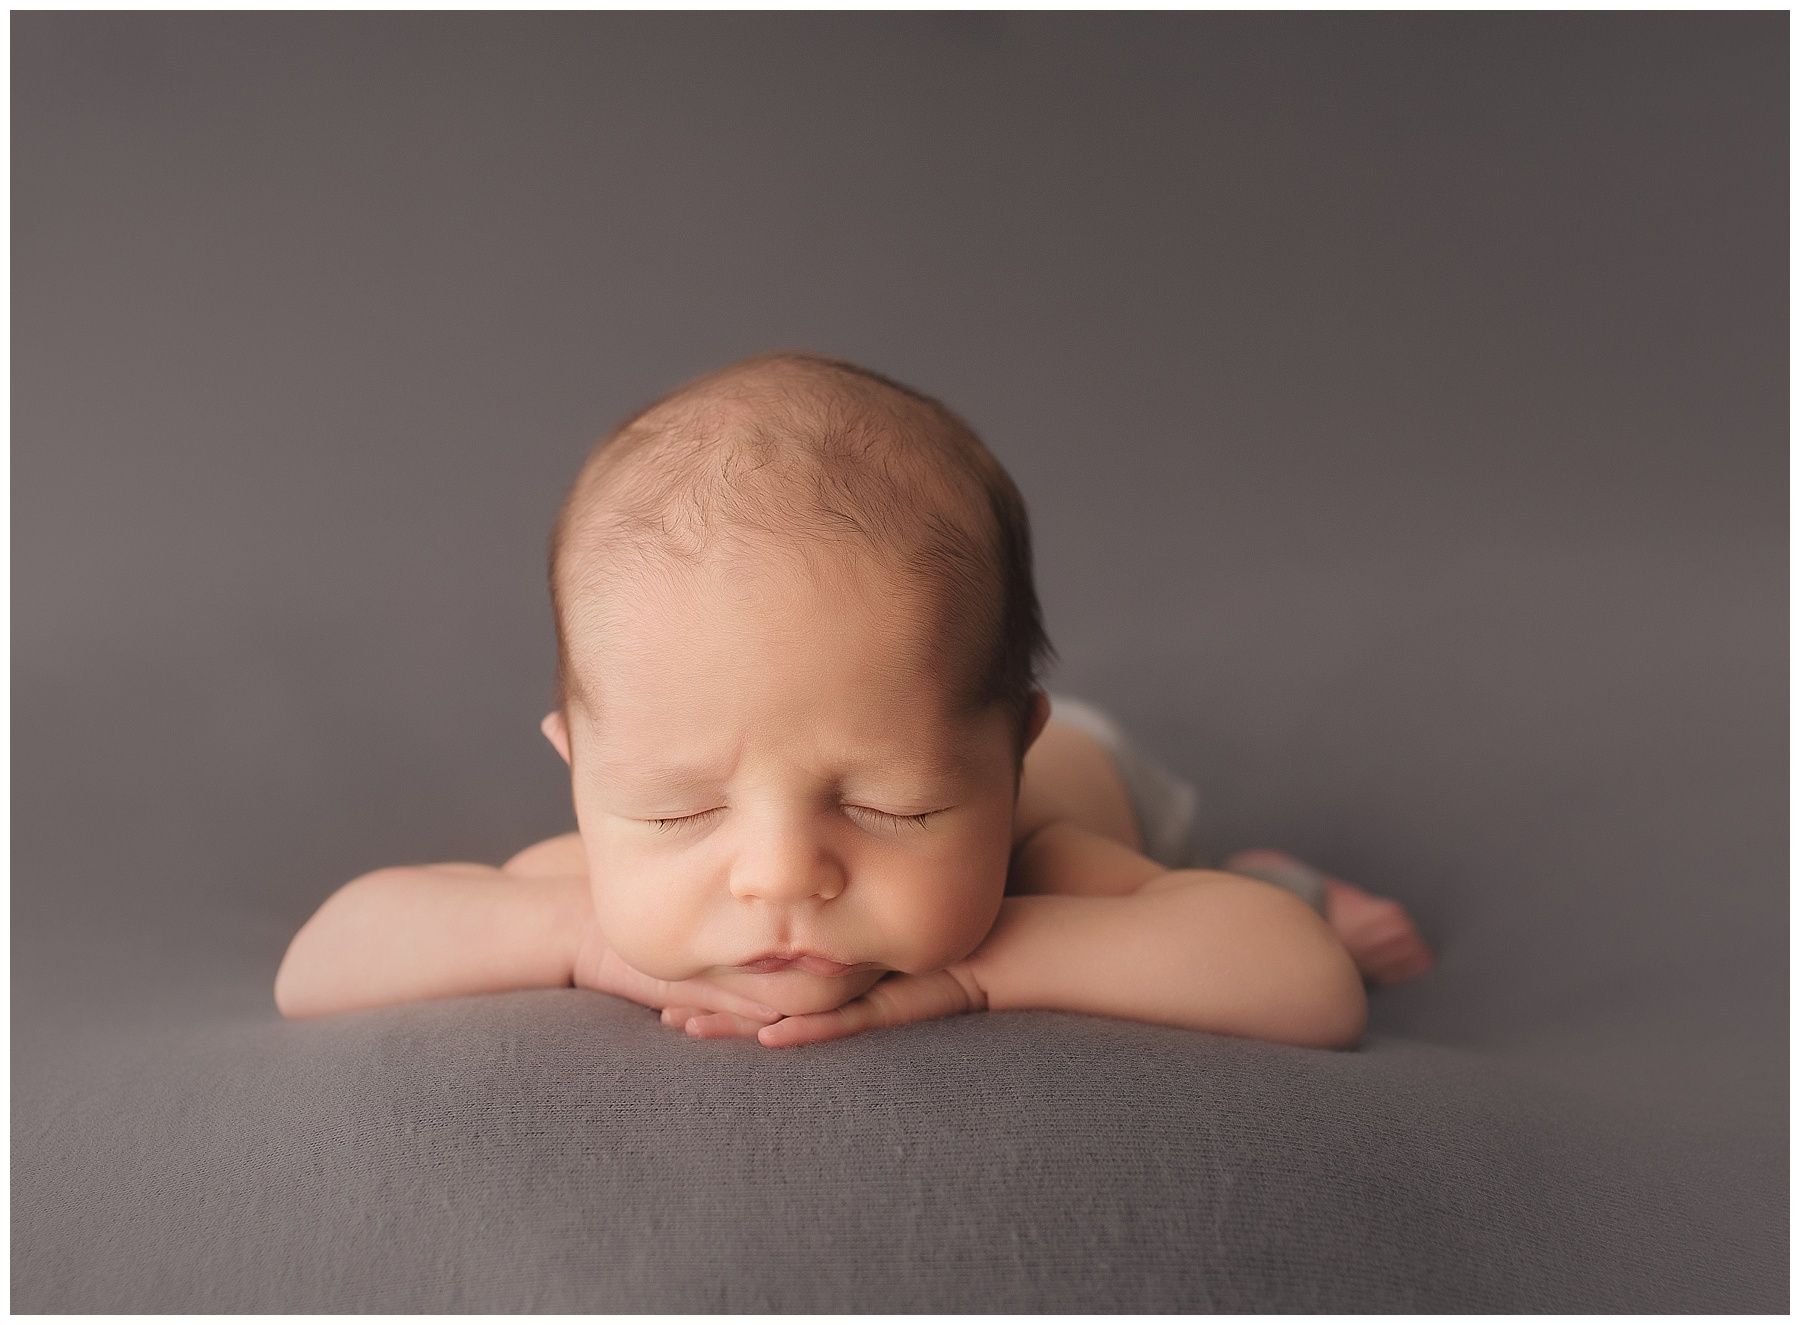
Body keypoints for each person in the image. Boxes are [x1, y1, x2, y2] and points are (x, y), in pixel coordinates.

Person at [274, 351, 1434, 1048]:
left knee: (1220, 883)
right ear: (578, 766)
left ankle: (1284, 863)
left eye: (893, 805)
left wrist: (985, 965)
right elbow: (319, 961)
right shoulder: (594, 879)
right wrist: (577, 935)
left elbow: (1304, 983)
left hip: (1106, 771)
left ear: (1001, 759)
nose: (779, 873)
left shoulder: (1043, 853)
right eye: (678, 810)